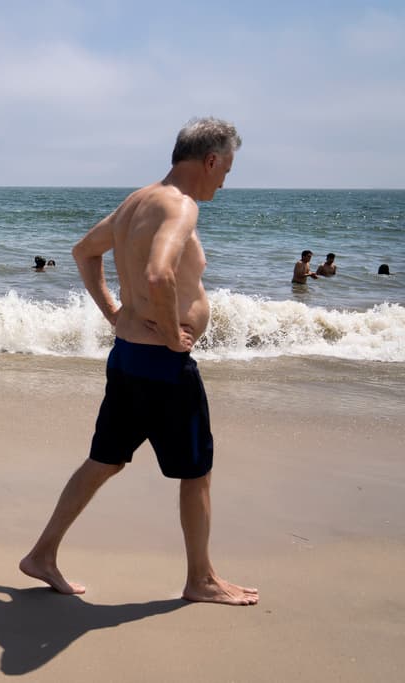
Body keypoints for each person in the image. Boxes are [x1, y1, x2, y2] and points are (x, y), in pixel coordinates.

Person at [19, 117, 259, 606]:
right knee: (196, 473)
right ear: (210, 161)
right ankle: (202, 580)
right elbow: (158, 274)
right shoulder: (180, 206)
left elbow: (84, 253)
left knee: (104, 460)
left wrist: (113, 312)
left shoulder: (137, 201)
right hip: (163, 369)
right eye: (226, 170)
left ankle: (42, 555)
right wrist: (174, 338)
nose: (225, 181)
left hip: (127, 357)